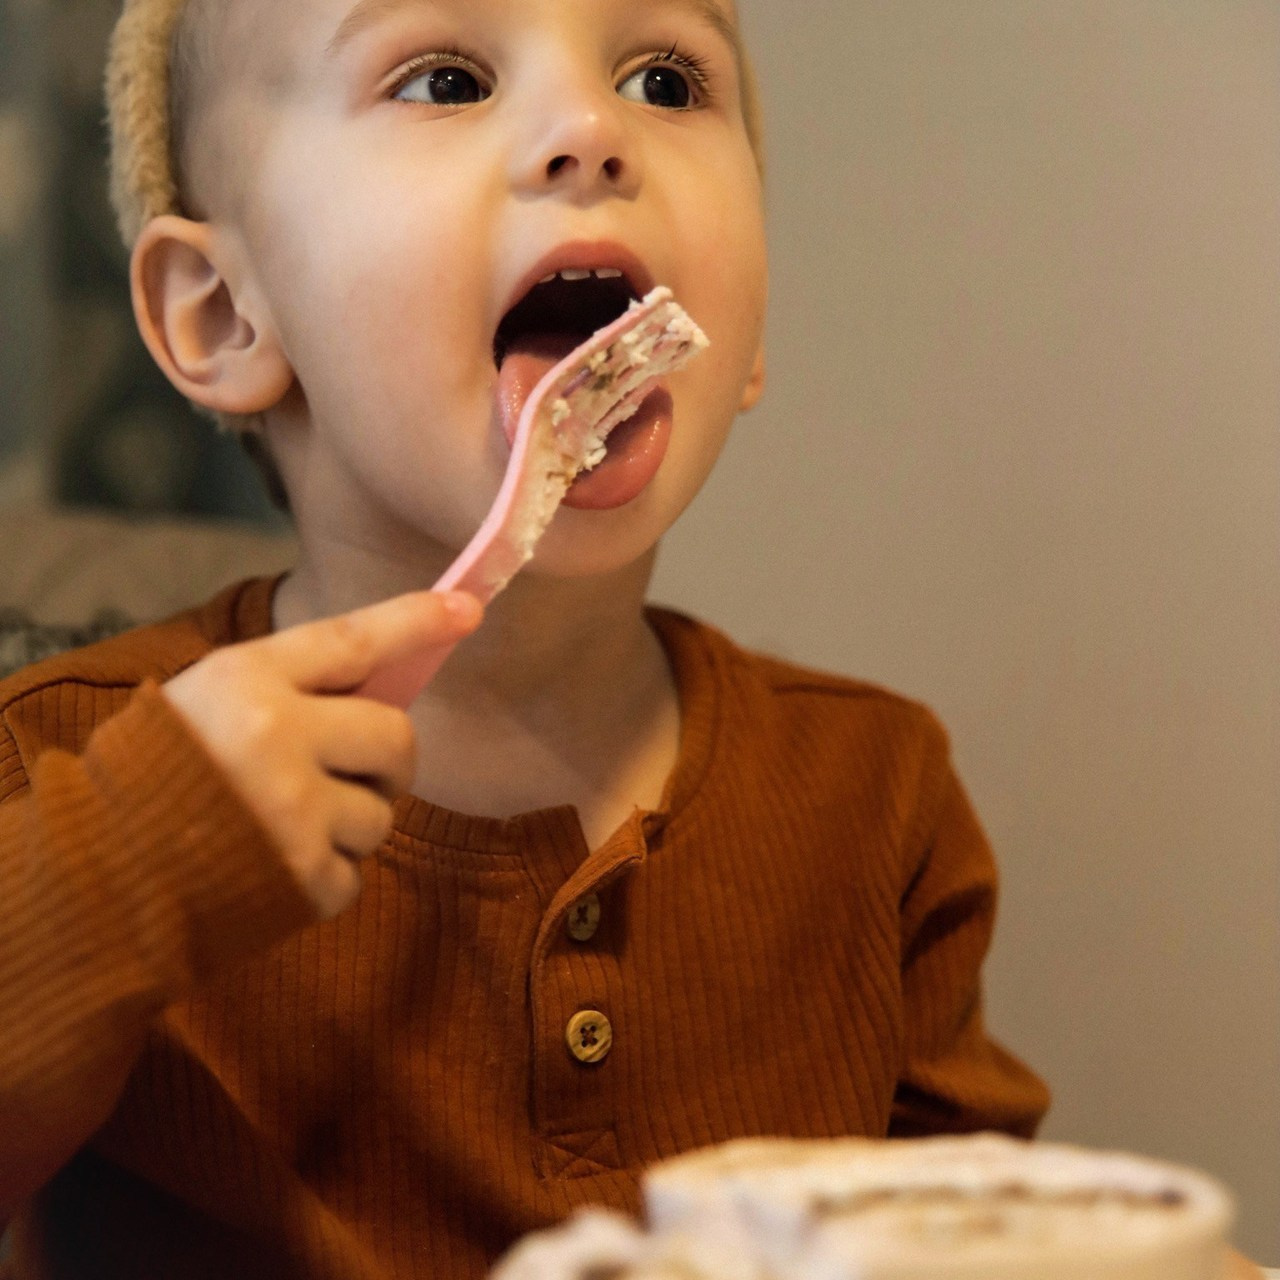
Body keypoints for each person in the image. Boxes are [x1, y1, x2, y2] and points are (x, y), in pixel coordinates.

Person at [7, 0, 1199, 1275]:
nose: (591, 129)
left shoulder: (875, 797)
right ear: (222, 315)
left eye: (666, 80)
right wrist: (124, 873)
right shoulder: (61, 774)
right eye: (444, 77)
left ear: (748, 325)